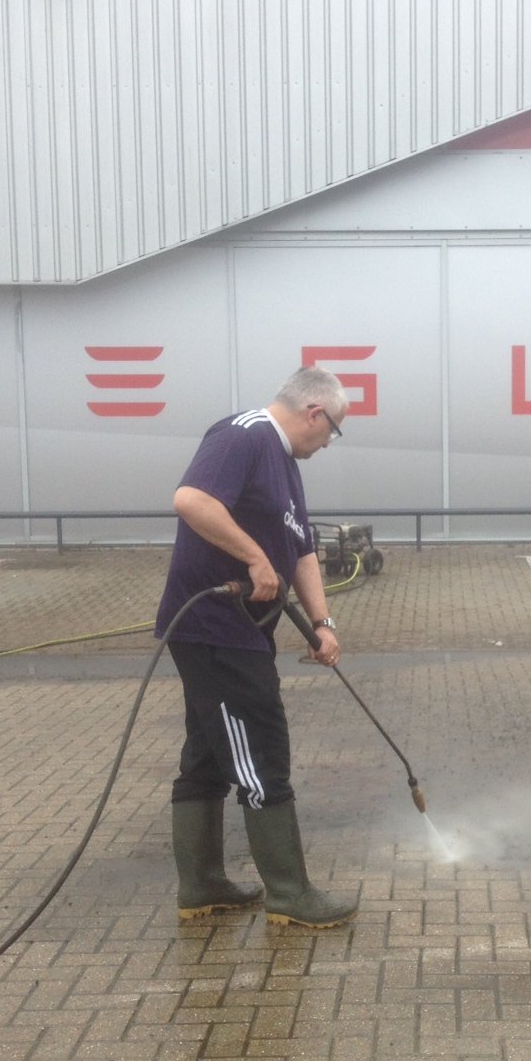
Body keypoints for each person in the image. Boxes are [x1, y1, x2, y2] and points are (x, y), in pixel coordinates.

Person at [154, 367, 358, 929]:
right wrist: (254, 557)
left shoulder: (286, 466)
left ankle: (202, 886)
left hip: (243, 630)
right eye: (332, 430)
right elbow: (191, 500)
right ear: (315, 413)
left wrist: (322, 623)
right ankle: (290, 894)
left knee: (208, 752)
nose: (328, 441)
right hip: (214, 627)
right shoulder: (242, 435)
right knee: (260, 750)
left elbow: (303, 551)